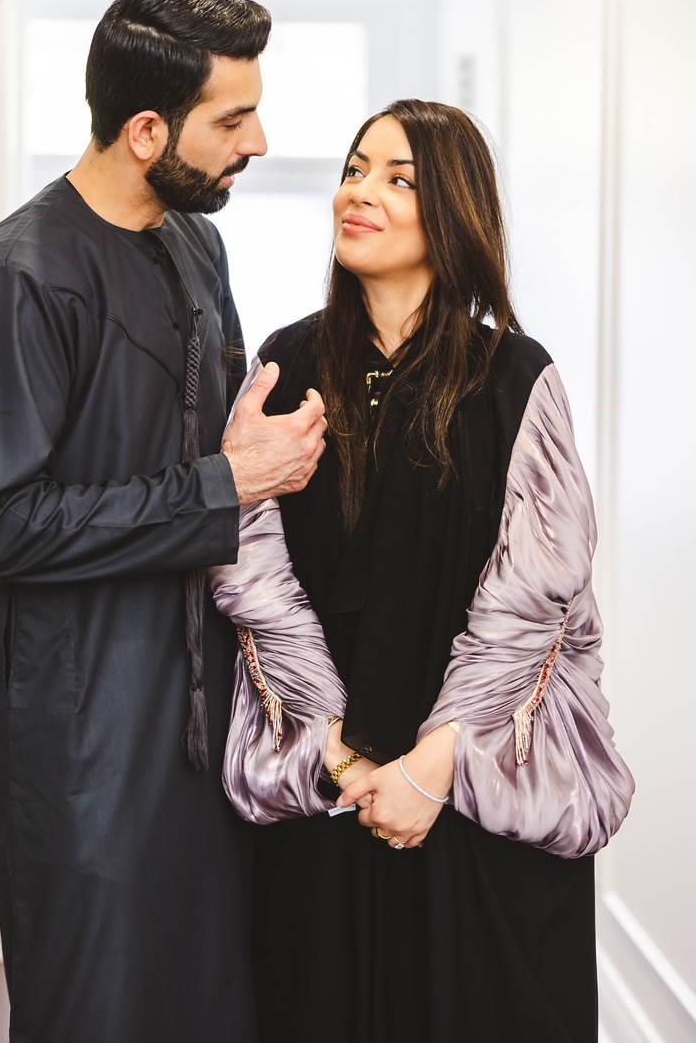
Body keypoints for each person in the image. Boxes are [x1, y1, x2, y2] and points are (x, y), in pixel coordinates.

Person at [0, 0, 328, 1043]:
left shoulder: (195, 244)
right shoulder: (14, 279)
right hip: (82, 737)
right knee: (98, 1008)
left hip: (209, 722)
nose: (258, 142)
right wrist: (227, 481)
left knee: (215, 1002)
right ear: (148, 129)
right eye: (232, 121)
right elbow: (6, 526)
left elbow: (221, 437)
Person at [211, 99, 633, 1042]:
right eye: (355, 170)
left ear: (453, 213)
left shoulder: (516, 378)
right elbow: (250, 567)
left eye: (398, 179)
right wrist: (339, 754)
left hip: (476, 793)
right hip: (328, 790)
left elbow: (537, 595)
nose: (359, 193)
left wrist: (432, 769)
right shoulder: (285, 366)